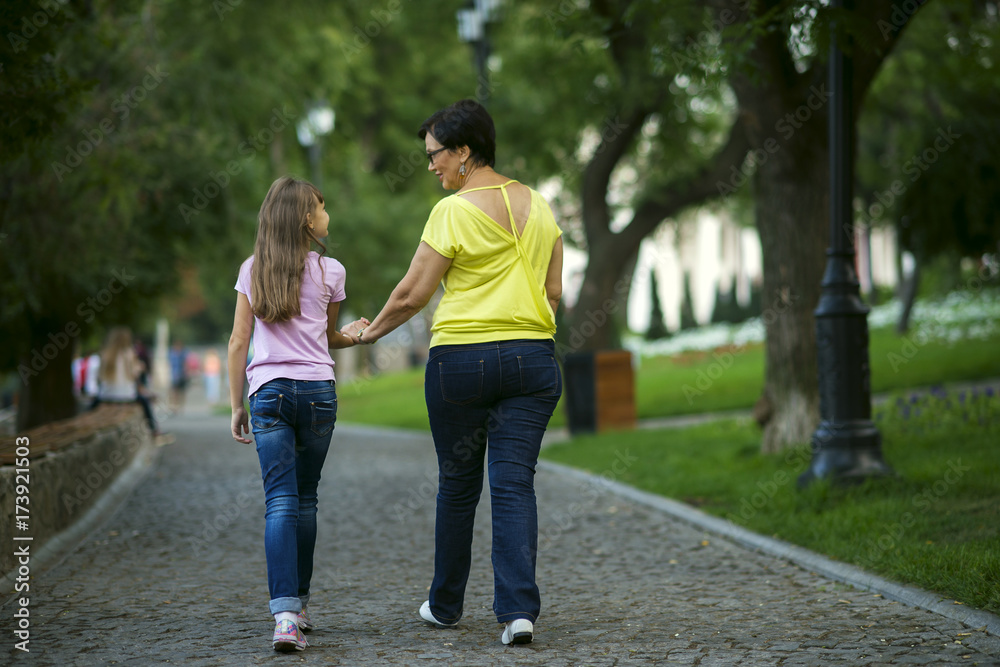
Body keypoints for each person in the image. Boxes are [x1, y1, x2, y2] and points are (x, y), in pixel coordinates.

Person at [343, 99, 564, 646]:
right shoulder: (540, 205)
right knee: (513, 484)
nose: (430, 165)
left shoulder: (453, 212)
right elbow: (554, 291)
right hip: (531, 361)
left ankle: (445, 606)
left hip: (461, 362)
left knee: (457, 486)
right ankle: (517, 614)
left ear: (465, 151)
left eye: (435, 154)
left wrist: (369, 333)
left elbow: (413, 293)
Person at [228, 176, 365, 653]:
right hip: (317, 394)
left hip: (267, 393)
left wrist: (234, 405)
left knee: (280, 501)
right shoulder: (332, 271)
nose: (329, 216)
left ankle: (285, 616)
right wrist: (354, 334)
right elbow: (326, 338)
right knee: (305, 498)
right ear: (308, 219)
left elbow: (238, 344)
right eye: (323, 208)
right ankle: (300, 604)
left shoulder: (253, 270)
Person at [93, 326, 161, 437]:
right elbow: (136, 375)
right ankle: (154, 429)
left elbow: (99, 378)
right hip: (127, 396)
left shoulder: (105, 354)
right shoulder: (130, 354)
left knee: (92, 405)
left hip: (106, 396)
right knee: (145, 402)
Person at [168, 340, 188, 414]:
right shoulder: (172, 353)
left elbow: (186, 363)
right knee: (174, 391)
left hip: (182, 374)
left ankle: (180, 405)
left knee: (181, 391)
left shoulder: (183, 353)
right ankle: (174, 406)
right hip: (174, 374)